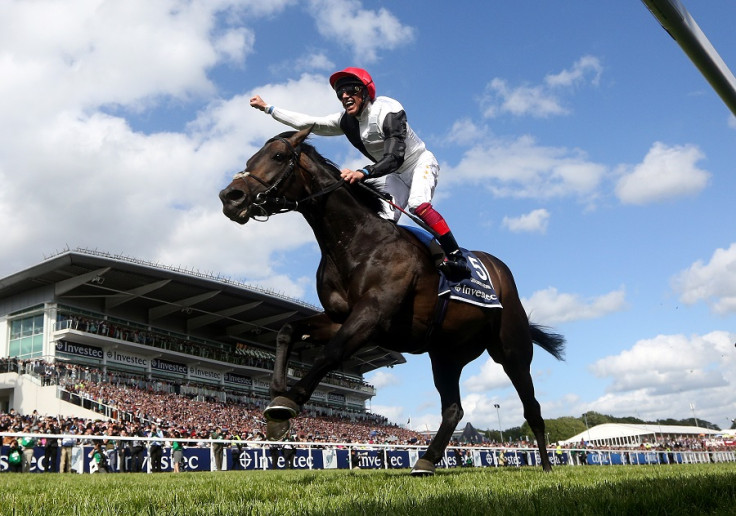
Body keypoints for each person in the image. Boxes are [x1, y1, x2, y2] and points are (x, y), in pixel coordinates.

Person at [250, 67, 468, 275]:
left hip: (419, 163)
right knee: (382, 221)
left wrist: (363, 172)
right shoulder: (345, 121)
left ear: (365, 91)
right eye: (340, 93)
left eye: (351, 90)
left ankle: (456, 255)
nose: (345, 96)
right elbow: (309, 122)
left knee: (418, 204)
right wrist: (269, 109)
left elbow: (395, 157)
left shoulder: (387, 109)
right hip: (394, 175)